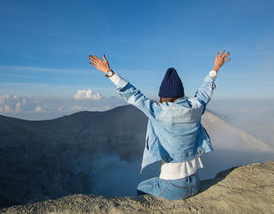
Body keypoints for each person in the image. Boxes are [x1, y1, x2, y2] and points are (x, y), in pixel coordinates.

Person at [88, 50, 231, 200]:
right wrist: (215, 68)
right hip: (195, 182)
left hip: (173, 187)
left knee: (142, 188)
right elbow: (205, 92)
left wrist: (109, 73)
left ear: (162, 96)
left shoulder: (159, 111)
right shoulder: (196, 107)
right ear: (181, 94)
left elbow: (133, 95)